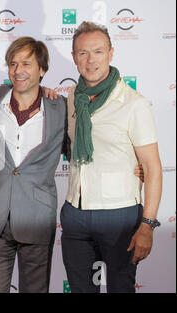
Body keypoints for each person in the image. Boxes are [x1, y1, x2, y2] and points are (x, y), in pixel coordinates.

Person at [61, 21, 162, 293]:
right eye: (83, 53)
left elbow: (152, 168)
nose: (90, 60)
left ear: (111, 53)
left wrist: (148, 225)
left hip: (120, 216)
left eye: (98, 51)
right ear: (74, 57)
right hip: (75, 213)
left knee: (120, 288)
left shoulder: (133, 103)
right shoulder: (72, 97)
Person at [0, 37, 70, 293]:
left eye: (27, 64)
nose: (18, 71)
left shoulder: (60, 108)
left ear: (42, 69)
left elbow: (77, 155)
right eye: (13, 64)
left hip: (37, 218)